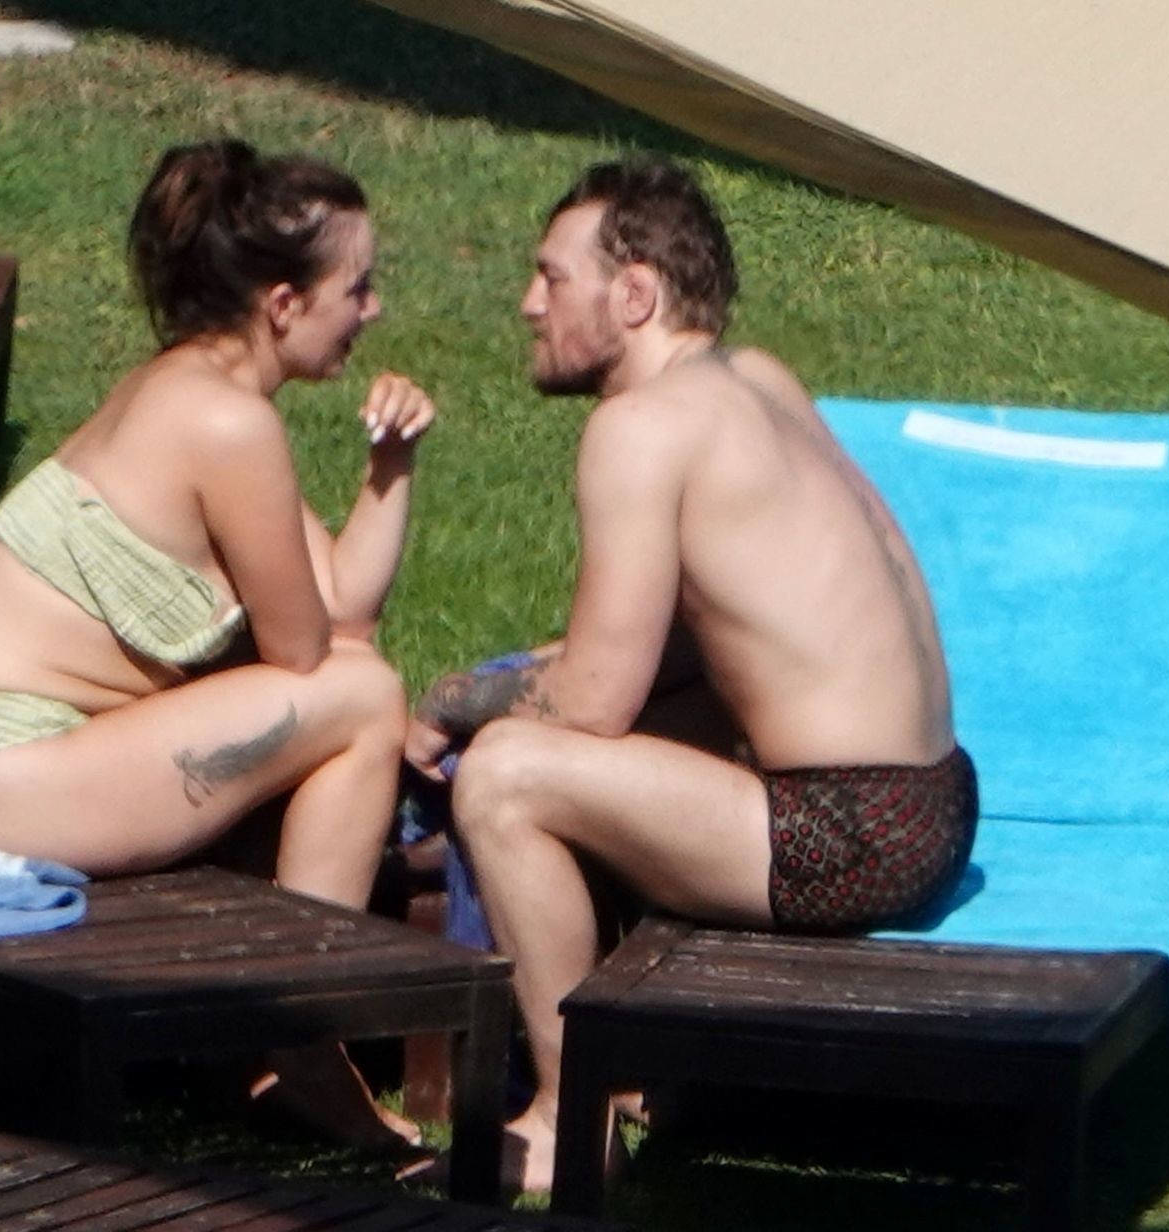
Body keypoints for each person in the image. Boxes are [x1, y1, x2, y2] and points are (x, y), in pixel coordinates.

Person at [404, 159, 977, 1191]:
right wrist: (523, 677)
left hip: (845, 834)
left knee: (505, 776)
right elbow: (681, 640)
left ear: (634, 294)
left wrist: (454, 700)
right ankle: (628, 1068)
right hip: (934, 802)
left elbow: (593, 697)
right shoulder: (757, 380)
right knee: (608, 725)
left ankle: (570, 1119)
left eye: (552, 276)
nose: (529, 302)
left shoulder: (639, 428)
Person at [0, 137, 434, 1150]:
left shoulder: (188, 389)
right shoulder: (226, 424)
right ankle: (299, 1033)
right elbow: (310, 656)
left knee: (359, 690)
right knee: (367, 697)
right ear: (284, 303)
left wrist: (390, 465)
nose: (374, 308)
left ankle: (273, 1038)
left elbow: (341, 611)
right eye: (359, 286)